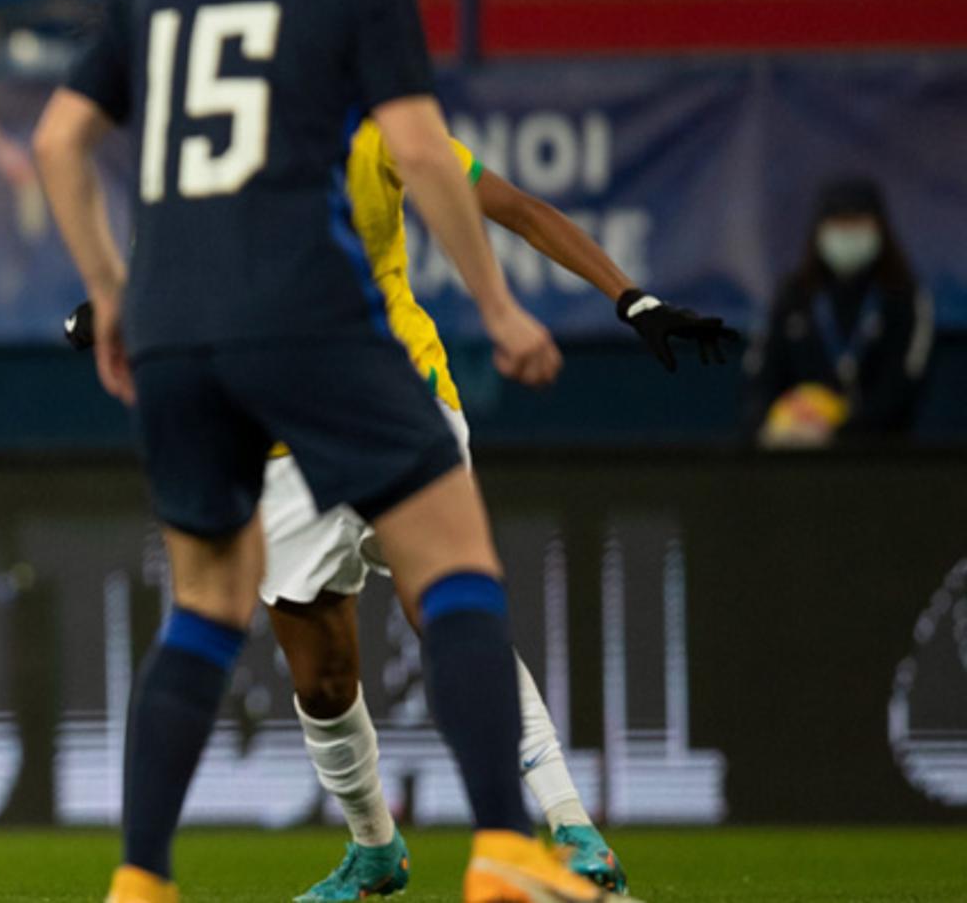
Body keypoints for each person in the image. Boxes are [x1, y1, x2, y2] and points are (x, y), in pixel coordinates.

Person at [31, 0, 624, 900]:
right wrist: (497, 305)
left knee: (206, 605)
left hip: (177, 338)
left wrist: (111, 292)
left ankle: (139, 879)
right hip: (308, 323)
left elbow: (58, 141)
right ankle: (502, 848)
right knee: (453, 570)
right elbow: (427, 150)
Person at [67, 119, 737, 899]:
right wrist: (112, 305)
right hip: (284, 446)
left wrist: (632, 295)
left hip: (398, 404)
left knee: (450, 616)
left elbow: (511, 206)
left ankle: (571, 827)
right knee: (321, 676)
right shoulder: (217, 146)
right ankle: (375, 850)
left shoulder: (377, 126)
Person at [747, 175, 931, 448]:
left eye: (857, 223)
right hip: (791, 454)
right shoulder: (793, 296)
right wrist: (771, 425)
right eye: (839, 224)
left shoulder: (904, 298)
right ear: (819, 231)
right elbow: (760, 377)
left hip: (879, 459)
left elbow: (902, 389)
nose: (847, 234)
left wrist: (838, 434)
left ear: (879, 229)